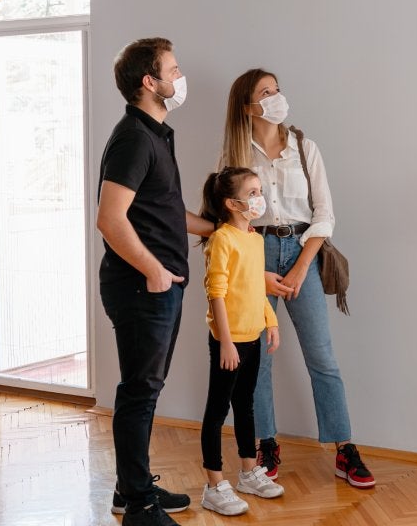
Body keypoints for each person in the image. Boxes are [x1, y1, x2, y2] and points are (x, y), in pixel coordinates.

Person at [217, 68, 375, 489]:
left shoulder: (305, 147)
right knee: (259, 361)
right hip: (255, 256)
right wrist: (256, 272)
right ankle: (266, 444)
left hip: (302, 250)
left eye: (277, 89)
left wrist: (303, 265)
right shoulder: (235, 154)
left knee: (322, 357)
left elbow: (324, 214)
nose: (276, 97)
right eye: (265, 93)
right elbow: (229, 221)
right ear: (248, 107)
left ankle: (344, 448)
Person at [96, 37, 215, 526]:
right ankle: (138, 506)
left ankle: (134, 489)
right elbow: (110, 218)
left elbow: (161, 209)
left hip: (163, 285)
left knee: (147, 388)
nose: (180, 76)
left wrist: (215, 226)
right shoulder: (133, 138)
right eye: (174, 68)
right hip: (144, 288)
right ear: (151, 82)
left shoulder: (158, 134)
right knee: (139, 392)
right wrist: (154, 271)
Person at [195, 167, 286, 516]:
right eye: (252, 192)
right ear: (231, 203)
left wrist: (271, 322)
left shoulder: (255, 239)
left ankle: (249, 472)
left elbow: (254, 289)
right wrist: (226, 342)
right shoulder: (222, 240)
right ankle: (214, 484)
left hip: (254, 336)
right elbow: (215, 293)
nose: (258, 197)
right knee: (217, 411)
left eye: (259, 190)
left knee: (245, 405)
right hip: (229, 342)